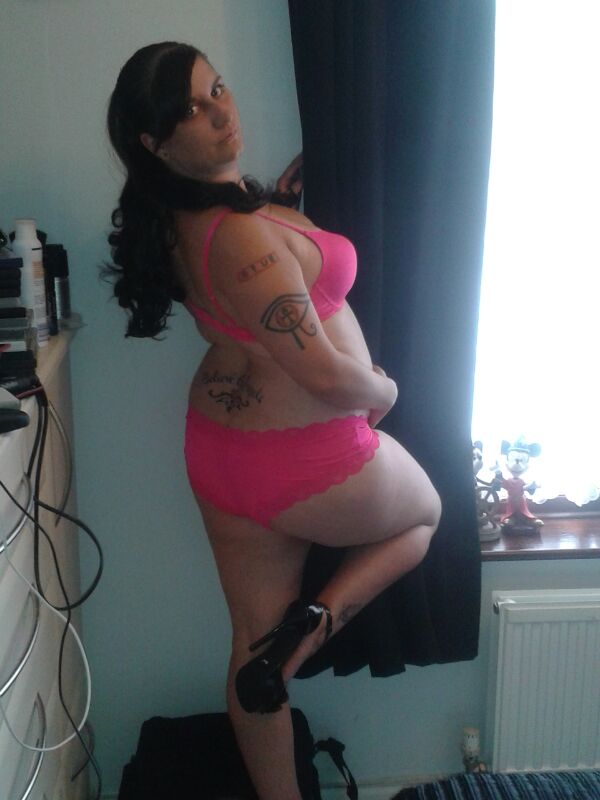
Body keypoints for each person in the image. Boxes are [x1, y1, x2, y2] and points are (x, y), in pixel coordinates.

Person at [106, 41, 441, 800]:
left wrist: (282, 211)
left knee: (249, 645)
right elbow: (322, 373)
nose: (221, 111)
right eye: (192, 109)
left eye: (217, 88)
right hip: (305, 455)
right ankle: (311, 628)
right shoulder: (244, 237)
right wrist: (383, 391)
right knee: (425, 515)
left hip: (222, 452)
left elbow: (252, 291)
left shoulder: (184, 217)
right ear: (155, 142)